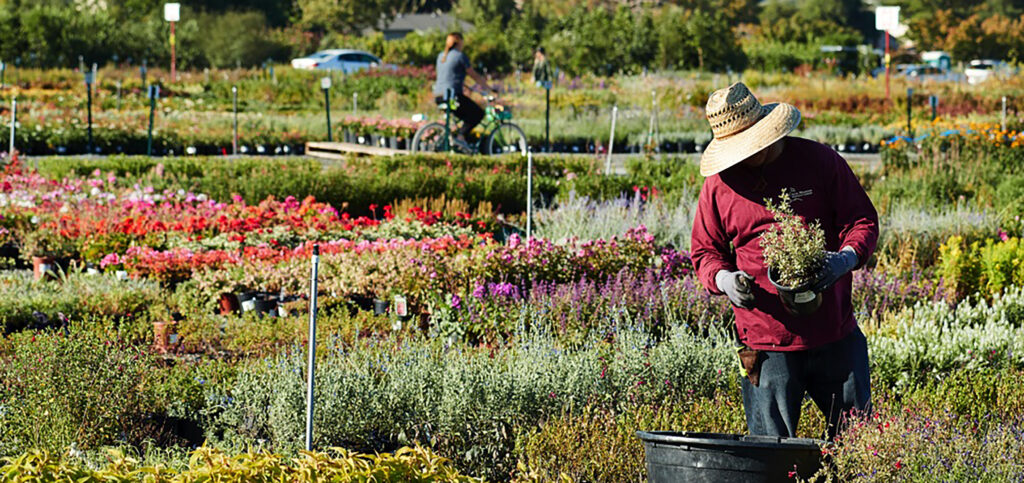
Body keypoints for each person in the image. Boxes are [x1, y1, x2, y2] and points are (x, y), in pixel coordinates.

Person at [690, 82, 879, 440]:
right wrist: (724, 280)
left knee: (859, 443)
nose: (743, 157)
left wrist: (845, 258)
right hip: (764, 341)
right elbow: (705, 251)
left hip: (833, 331)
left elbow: (861, 220)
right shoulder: (719, 184)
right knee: (770, 452)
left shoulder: (819, 162)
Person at [433, 32, 492, 148]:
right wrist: (488, 87)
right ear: (459, 42)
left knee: (464, 114)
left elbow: (449, 76)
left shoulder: (441, 56)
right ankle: (461, 137)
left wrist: (465, 86)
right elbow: (473, 75)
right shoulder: (460, 56)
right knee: (478, 114)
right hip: (452, 96)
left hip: (439, 96)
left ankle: (457, 139)